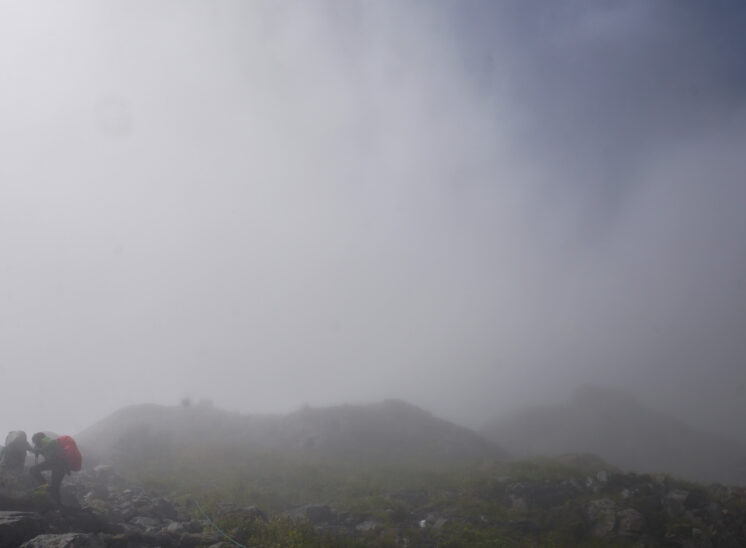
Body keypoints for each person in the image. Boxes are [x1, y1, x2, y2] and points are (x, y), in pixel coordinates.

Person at [29, 432, 70, 505]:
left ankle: (45, 487)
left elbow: (48, 449)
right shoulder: (49, 441)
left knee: (33, 470)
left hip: (56, 463)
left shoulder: (46, 442)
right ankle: (59, 506)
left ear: (38, 439)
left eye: (35, 442)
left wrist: (39, 450)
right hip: (62, 466)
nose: (35, 444)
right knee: (55, 488)